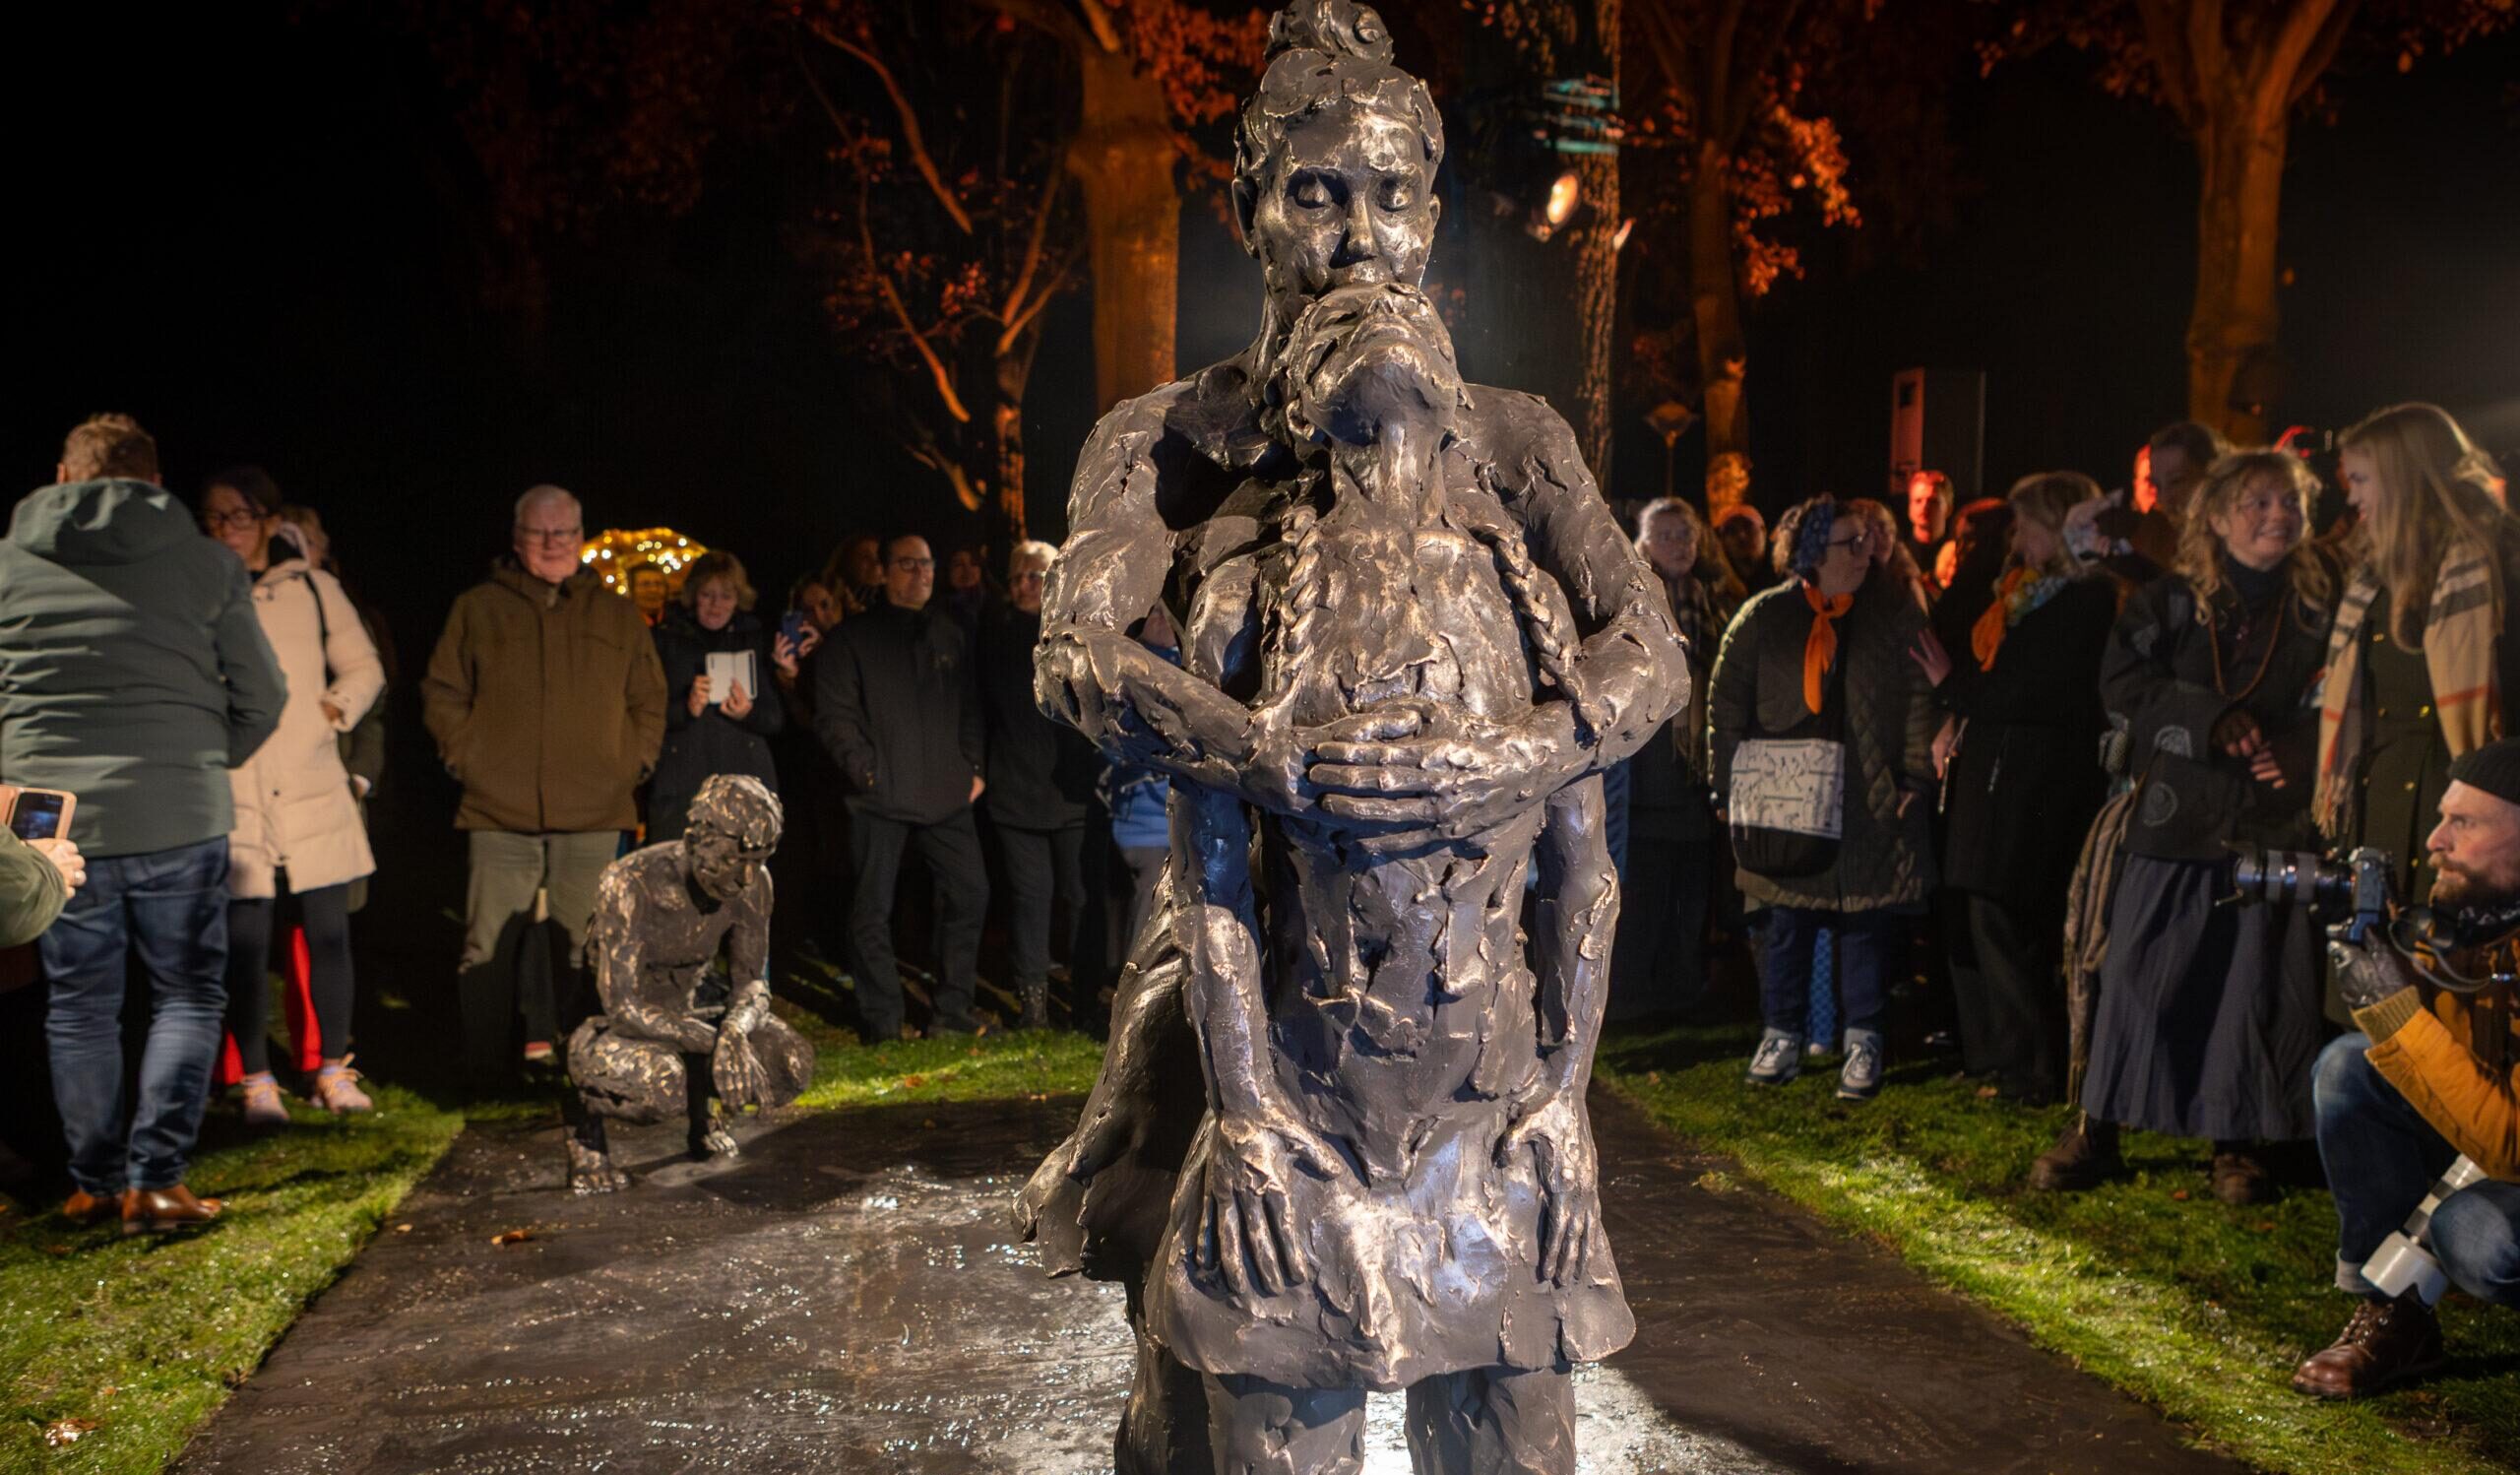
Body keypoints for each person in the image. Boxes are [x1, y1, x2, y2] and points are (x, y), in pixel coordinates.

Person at [0, 414, 286, 1233]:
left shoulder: (9, 567)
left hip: (54, 824)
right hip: (180, 814)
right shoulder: (205, 563)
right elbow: (263, 693)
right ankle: (156, 1182)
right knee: (188, 996)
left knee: (78, 1005)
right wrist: (203, 757)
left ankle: (93, 1184)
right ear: (154, 484)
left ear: (63, 477)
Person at [2039, 451, 2338, 1201]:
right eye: (2259, 502)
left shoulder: (2319, 607)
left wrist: (2302, 749)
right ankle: (2097, 1125)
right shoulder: (2169, 600)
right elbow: (2123, 683)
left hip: (2268, 822)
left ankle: (2234, 1144)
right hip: (2174, 818)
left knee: (2249, 985)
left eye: (2290, 503)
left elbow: (2337, 694)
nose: (2277, 516)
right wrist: (2209, 719)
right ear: (2216, 515)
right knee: (2140, 973)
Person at [2295, 741, 2520, 1397]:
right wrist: (2408, 960)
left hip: (2507, 1153)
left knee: (2476, 1236)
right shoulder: (2472, 915)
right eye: (2442, 817)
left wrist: (2396, 1013)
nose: (2434, 840)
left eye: (2464, 823)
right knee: (2348, 1067)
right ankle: (2394, 1312)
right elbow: (2455, 1075)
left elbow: (2508, 1145)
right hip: (2488, 1143)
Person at [422, 485, 667, 1082]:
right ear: (517, 537)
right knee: (486, 950)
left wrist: (628, 765)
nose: (553, 543)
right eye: (540, 532)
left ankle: (579, 1064)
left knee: (585, 947)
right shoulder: (478, 608)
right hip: (497, 810)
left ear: (580, 536)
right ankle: (485, 1070)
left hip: (592, 811)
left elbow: (648, 698)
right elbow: (443, 692)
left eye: (564, 532)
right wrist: (468, 760)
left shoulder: (613, 613)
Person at [1710, 494, 1938, 1102]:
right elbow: (1726, 706)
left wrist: (1914, 777)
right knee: (1786, 920)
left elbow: (1920, 699)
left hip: (1870, 797)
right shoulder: (1764, 618)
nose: (1868, 551)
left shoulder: (1894, 613)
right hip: (1784, 798)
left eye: (1867, 540)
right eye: (1851, 543)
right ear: (1813, 552)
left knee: (1866, 920)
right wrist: (1726, 784)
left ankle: (1863, 1039)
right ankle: (1781, 1033)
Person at [201, 469, 387, 1123]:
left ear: (266, 520)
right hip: (236, 784)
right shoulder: (198, 591)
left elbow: (364, 665)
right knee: (244, 940)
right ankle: (254, 1079)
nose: (226, 530)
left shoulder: (311, 586)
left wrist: (332, 712)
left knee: (328, 932)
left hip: (311, 780)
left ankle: (330, 1070)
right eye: (215, 518)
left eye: (239, 517)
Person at [1930, 473, 2116, 1105]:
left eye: (2027, 524)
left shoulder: (2085, 601)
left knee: (2009, 912)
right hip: (1997, 769)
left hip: (2039, 776)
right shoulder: (2021, 592)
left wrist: (1951, 683)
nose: (2018, 537)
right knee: (1983, 909)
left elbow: (2036, 691)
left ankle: (2034, 1065)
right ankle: (2000, 1055)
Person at [564, 774, 814, 1191]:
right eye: (737, 859)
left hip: (692, 1016)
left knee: (790, 1063)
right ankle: (582, 1122)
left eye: (760, 861)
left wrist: (734, 1031)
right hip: (612, 1032)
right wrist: (716, 1043)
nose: (748, 878)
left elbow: (751, 984)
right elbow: (622, 1008)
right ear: (699, 838)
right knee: (663, 1086)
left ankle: (703, 1116)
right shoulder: (631, 883)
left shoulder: (754, 887)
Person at [2313, 403, 2520, 905]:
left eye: (2361, 478)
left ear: (2403, 477)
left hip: (2459, 799)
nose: (2352, 494)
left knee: (2450, 963)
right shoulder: (2370, 578)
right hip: (2377, 803)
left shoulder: (2495, 562)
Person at [813, 533, 988, 1041]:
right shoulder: (853, 639)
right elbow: (836, 717)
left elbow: (971, 706)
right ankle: (883, 1017)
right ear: (885, 571)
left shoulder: (950, 632)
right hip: (879, 798)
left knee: (971, 893)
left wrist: (973, 768)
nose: (921, 574)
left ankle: (952, 1010)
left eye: (927, 564)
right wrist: (869, 772)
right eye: (908, 564)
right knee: (871, 909)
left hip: (947, 793)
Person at [1612, 497, 1734, 1019]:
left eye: (1686, 535)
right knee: (1645, 893)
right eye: (1666, 536)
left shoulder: (1717, 600)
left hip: (1694, 772)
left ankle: (1681, 987)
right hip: (1647, 771)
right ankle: (1635, 992)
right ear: (1643, 543)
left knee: (1690, 891)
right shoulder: (1634, 600)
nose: (1680, 546)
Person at [978, 542, 1096, 1030]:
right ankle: (1034, 1005)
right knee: (1031, 898)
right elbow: (976, 709)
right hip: (1015, 789)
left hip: (1072, 792)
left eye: (1037, 576)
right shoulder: (994, 638)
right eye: (1017, 577)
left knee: (1080, 895)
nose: (1025, 585)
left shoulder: (1081, 635)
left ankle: (1086, 1001)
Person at [649, 550, 787, 844]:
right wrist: (685, 709)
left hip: (742, 785)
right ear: (693, 595)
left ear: (739, 599)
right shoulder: (666, 641)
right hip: (683, 785)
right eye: (708, 595)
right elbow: (646, 714)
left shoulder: (753, 639)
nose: (716, 605)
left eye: (726, 596)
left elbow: (774, 719)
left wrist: (747, 713)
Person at [2128, 419, 2229, 570]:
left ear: (2214, 476)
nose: (2163, 499)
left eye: (2176, 481)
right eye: (2156, 485)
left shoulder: (2246, 544)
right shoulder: (2159, 539)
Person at [1715, 503, 1782, 597]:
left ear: (1763, 531)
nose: (1741, 536)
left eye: (1748, 527)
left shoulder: (1785, 574)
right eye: (1731, 531)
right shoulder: (1718, 587)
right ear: (1722, 541)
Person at [1904, 470, 1955, 585]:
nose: (1925, 506)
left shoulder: (1954, 558)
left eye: (1933, 501)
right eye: (1918, 501)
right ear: (1909, 508)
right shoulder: (1898, 555)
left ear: (1948, 509)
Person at [625, 560, 669, 628]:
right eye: (645, 584)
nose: (653, 590)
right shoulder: (622, 627)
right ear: (632, 590)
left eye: (658, 584)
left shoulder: (683, 626)